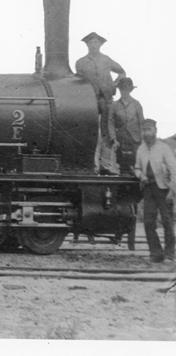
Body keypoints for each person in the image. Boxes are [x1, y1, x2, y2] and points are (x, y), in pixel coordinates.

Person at [75, 32, 126, 172]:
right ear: (87, 45)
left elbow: (122, 72)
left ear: (100, 44)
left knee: (107, 131)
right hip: (90, 101)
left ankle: (107, 164)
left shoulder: (107, 60)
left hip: (106, 99)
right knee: (91, 131)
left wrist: (115, 85)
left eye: (96, 42)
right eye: (91, 42)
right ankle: (92, 164)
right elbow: (77, 82)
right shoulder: (81, 62)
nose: (94, 45)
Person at [134, 119, 176, 263]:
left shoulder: (164, 148)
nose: (146, 133)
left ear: (155, 131)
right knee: (148, 222)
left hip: (164, 189)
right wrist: (141, 175)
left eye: (149, 130)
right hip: (149, 189)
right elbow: (137, 167)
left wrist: (172, 190)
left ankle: (170, 254)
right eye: (144, 130)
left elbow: (174, 169)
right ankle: (156, 253)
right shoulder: (141, 149)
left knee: (167, 221)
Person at [108, 77, 144, 175]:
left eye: (126, 89)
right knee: (122, 165)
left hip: (135, 140)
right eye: (122, 88)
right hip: (121, 140)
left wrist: (142, 139)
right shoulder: (114, 105)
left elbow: (142, 123)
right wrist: (114, 139)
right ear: (119, 89)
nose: (124, 91)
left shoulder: (137, 105)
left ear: (130, 90)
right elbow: (110, 123)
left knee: (136, 165)